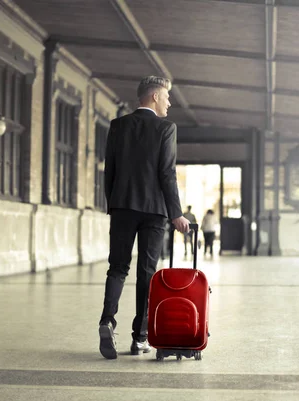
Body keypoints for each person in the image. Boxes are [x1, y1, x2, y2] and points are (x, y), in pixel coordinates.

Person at [99, 76, 190, 360]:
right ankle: (140, 338)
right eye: (166, 97)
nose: (169, 103)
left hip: (122, 207)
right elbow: (167, 172)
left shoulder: (118, 125)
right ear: (154, 97)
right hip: (154, 211)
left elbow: (109, 172)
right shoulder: (166, 128)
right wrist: (176, 213)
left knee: (117, 267)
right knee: (147, 273)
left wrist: (113, 204)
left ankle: (107, 321)